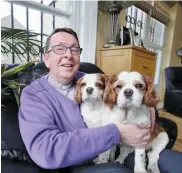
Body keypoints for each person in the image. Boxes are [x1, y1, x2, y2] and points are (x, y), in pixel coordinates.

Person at [18, 28, 182, 173]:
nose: (68, 54)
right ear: (46, 58)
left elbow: (130, 91)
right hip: (81, 164)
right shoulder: (33, 96)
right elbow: (46, 151)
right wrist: (115, 133)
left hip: (124, 150)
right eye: (60, 49)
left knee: (175, 164)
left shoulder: (93, 80)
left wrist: (149, 107)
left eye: (74, 50)